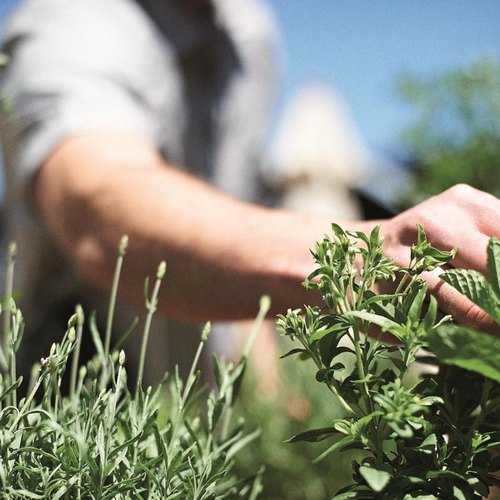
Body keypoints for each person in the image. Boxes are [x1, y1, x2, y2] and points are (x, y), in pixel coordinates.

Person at [0, 0, 498, 380]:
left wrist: (268, 390)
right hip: (61, 393)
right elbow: (101, 211)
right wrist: (362, 257)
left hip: (194, 412)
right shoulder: (70, 23)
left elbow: (242, 211)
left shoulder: (247, 34)